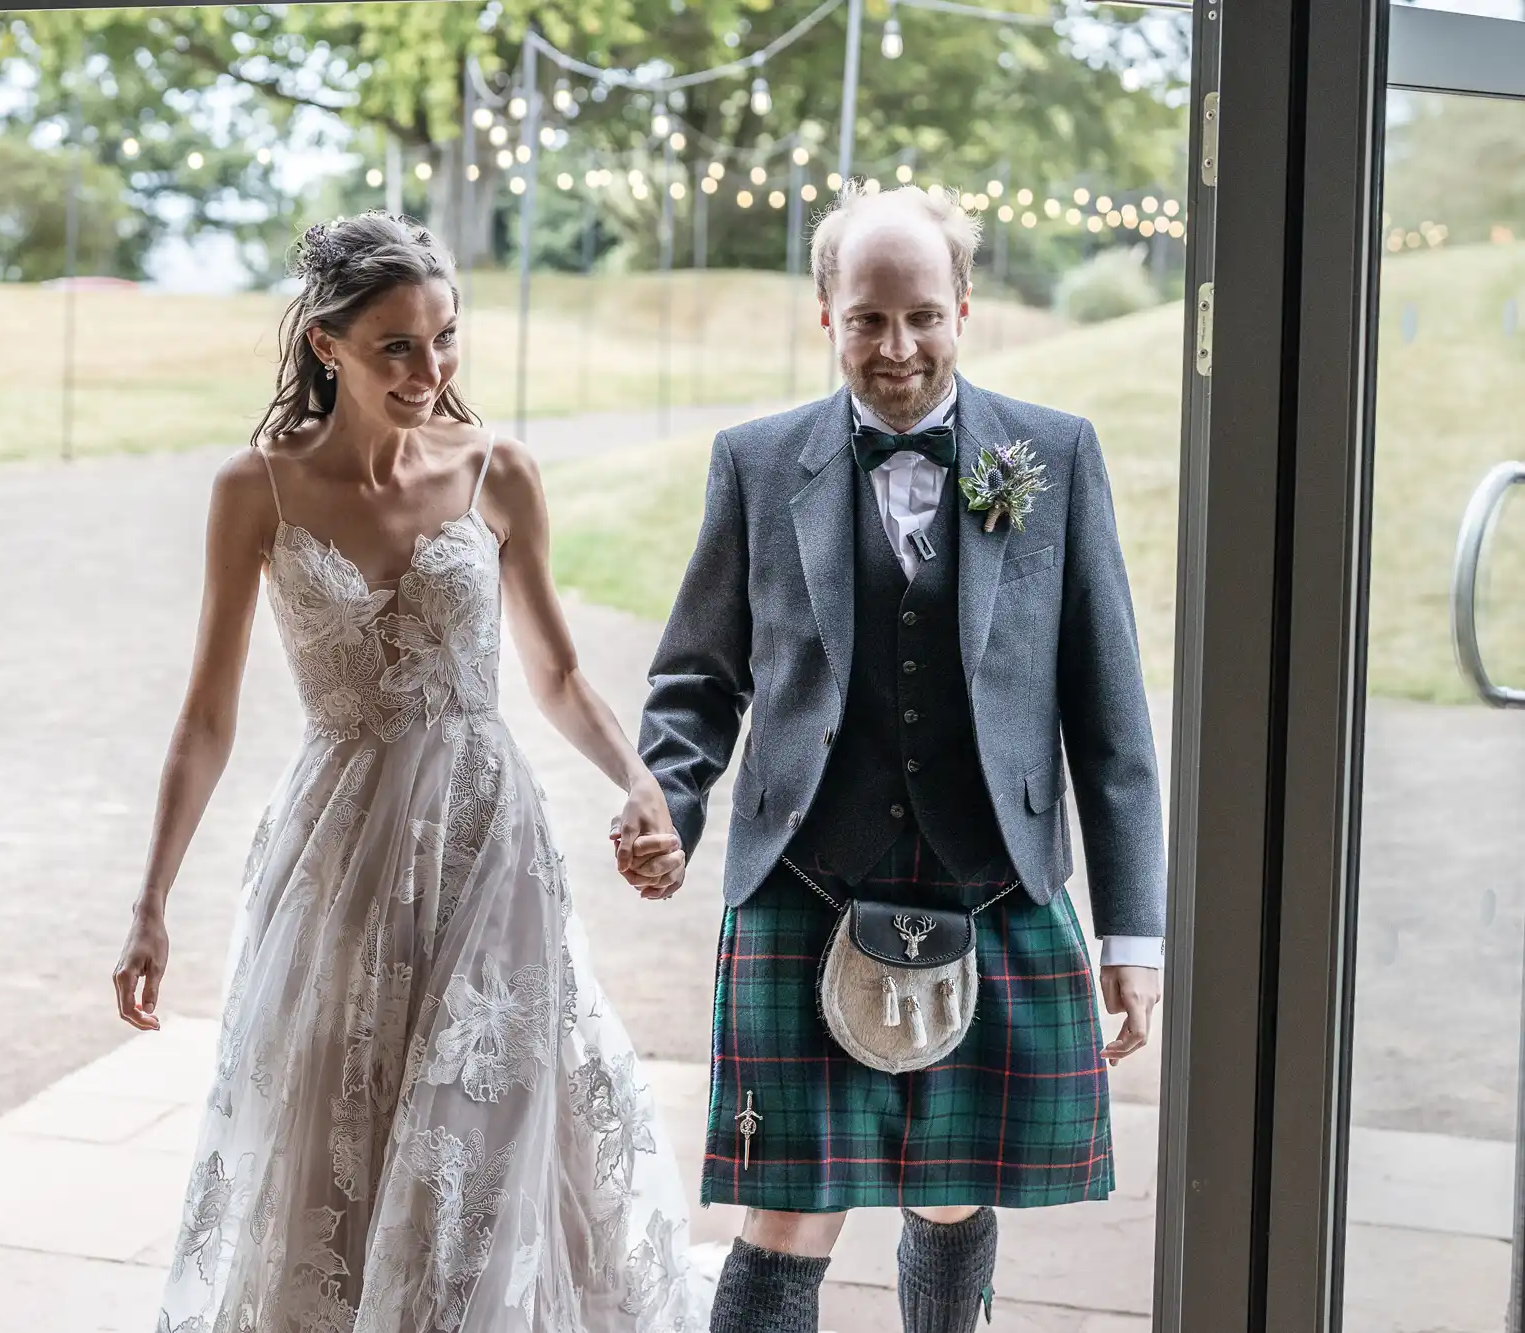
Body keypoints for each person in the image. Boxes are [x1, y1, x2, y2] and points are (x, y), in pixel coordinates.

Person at [113, 212, 700, 1333]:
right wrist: (148, 904)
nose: (430, 371)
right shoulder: (257, 491)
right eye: (396, 346)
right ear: (325, 345)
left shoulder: (497, 471)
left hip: (487, 839)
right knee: (340, 1113)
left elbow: (559, 671)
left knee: (482, 1122)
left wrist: (636, 781)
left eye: (444, 338)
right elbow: (204, 717)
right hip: (337, 852)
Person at [618, 182, 1167, 1332]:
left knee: (952, 1199)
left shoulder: (1053, 456)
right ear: (826, 315)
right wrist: (667, 801)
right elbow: (694, 679)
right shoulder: (757, 463)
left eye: (921, 314)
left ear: (963, 307)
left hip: (994, 875)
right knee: (783, 1212)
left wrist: (1131, 932)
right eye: (867, 318)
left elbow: (1108, 720)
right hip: (805, 875)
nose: (897, 344)